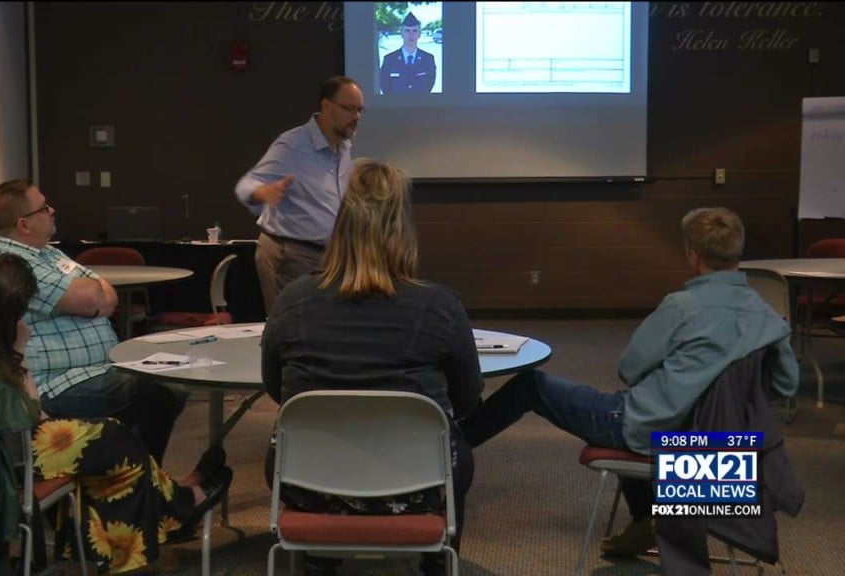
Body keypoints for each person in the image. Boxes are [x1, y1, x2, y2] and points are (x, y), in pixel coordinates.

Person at [457, 206, 800, 557]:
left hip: (649, 431)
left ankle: (450, 450)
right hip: (724, 444)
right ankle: (646, 518)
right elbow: (785, 386)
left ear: (693, 255)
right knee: (630, 404)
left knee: (532, 385)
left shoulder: (682, 307)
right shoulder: (769, 317)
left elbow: (631, 368)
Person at [0, 254, 233, 574]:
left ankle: (173, 504)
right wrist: (19, 352)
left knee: (109, 449)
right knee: (114, 443)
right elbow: (26, 410)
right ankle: (179, 504)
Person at [261, 159, 483, 576]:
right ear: (404, 230)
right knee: (453, 444)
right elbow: (467, 399)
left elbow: (276, 389)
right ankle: (436, 563)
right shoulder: (440, 307)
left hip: (305, 484)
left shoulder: (292, 301)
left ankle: (317, 557)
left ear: (341, 226)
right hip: (420, 487)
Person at [0, 178, 188, 465]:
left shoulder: (47, 253)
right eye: (44, 208)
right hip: (57, 384)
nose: (52, 211)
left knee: (167, 385)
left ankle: (134, 474)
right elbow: (94, 297)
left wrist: (91, 294)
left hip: (93, 371)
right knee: (161, 392)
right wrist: (90, 294)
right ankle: (142, 476)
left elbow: (106, 293)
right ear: (24, 224)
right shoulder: (12, 265)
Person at [235, 75, 364, 314]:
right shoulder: (293, 145)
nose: (356, 117)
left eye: (360, 110)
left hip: (328, 257)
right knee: (292, 328)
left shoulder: (343, 147)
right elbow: (246, 185)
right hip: (291, 255)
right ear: (327, 106)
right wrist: (262, 192)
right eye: (349, 109)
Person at [379, 12, 437, 94]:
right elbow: (385, 85)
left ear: (419, 34)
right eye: (407, 31)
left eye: (414, 31)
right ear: (401, 33)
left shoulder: (428, 59)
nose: (411, 34)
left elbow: (429, 85)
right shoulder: (389, 59)